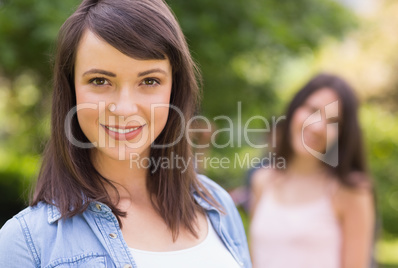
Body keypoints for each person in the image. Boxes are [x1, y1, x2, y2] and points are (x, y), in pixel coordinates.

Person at [0, 0, 251, 267]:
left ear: (173, 90)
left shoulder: (216, 205)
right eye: (100, 81)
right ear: (71, 90)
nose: (124, 108)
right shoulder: (26, 242)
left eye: (149, 81)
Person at [249, 73, 376, 268]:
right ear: (294, 109)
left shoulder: (350, 190)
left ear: (342, 134)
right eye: (313, 110)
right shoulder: (262, 180)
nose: (317, 127)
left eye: (333, 121)